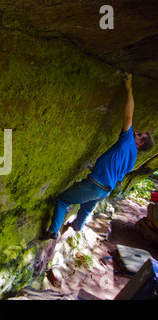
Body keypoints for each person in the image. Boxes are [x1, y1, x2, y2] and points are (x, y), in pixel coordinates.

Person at [44, 72, 154, 240]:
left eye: (138, 135)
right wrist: (94, 168)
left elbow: (128, 115)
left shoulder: (127, 142)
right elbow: (113, 173)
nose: (135, 133)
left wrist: (129, 88)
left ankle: (52, 232)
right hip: (103, 191)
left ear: (140, 143)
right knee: (86, 208)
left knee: (62, 201)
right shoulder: (131, 159)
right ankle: (77, 226)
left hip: (94, 186)